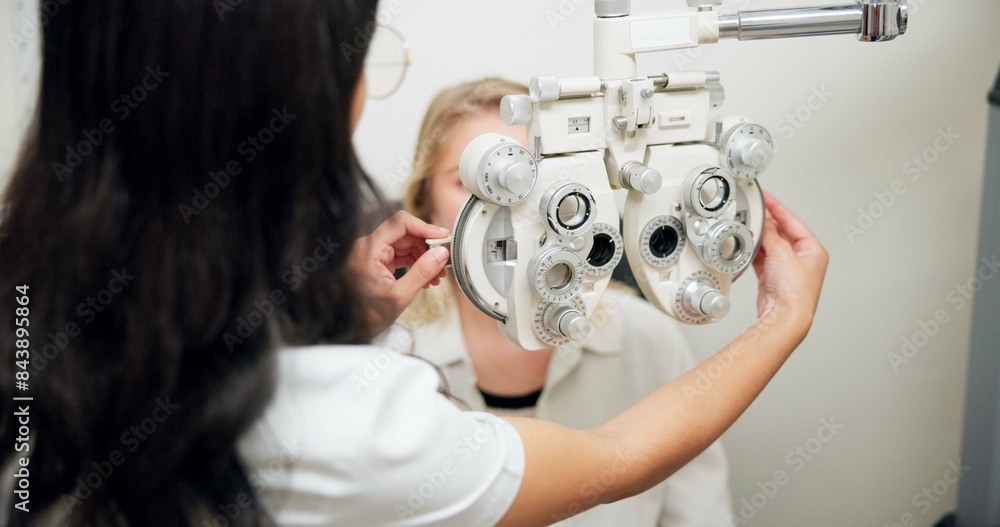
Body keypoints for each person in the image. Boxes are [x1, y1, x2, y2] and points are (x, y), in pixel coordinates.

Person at [0, 1, 828, 526]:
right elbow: (610, 460)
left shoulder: (30, 312)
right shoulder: (354, 418)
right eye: (485, 182)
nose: (528, 215)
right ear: (427, 200)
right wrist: (781, 320)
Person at [399, 78, 733, 526]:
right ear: (426, 205)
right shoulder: (389, 359)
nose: (510, 207)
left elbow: (700, 515)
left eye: (531, 177)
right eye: (476, 182)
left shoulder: (646, 338)